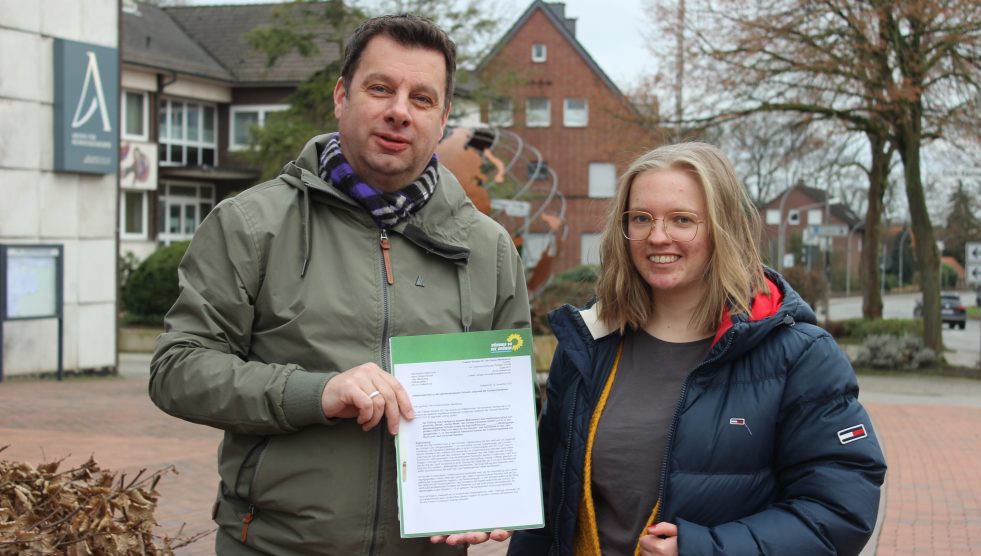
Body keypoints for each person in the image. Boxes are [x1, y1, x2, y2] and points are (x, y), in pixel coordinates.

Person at [149, 14, 530, 555]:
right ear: (341, 96)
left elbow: (508, 396)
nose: (399, 111)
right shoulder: (252, 225)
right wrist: (316, 392)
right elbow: (177, 369)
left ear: (443, 119)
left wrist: (492, 491)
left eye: (422, 99)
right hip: (276, 546)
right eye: (380, 88)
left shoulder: (488, 247)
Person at [507, 142, 886, 556]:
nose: (657, 236)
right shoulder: (587, 345)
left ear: (723, 228)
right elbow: (546, 499)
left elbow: (840, 511)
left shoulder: (800, 356)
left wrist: (706, 548)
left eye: (682, 220)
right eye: (641, 218)